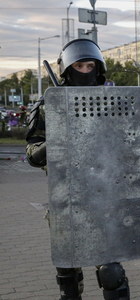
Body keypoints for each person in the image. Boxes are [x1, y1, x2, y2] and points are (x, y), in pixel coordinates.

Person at [25, 39, 130, 300]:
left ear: (99, 68)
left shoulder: (111, 103)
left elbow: (130, 145)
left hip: (103, 196)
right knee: (68, 276)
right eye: (79, 65)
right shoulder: (49, 106)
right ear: (67, 70)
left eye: (90, 65)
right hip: (65, 200)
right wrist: (56, 140)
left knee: (112, 273)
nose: (85, 70)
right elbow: (32, 155)